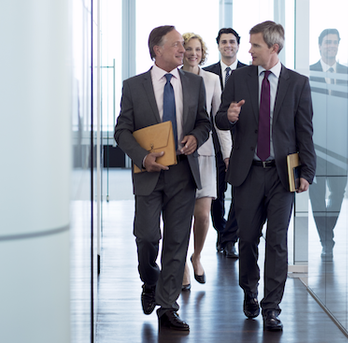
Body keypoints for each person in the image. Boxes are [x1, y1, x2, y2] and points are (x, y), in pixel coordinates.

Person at [214, 20, 315, 331]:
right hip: (247, 173)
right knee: (247, 240)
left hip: (282, 175)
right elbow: (219, 117)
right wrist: (227, 116)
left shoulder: (298, 83)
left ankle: (272, 307)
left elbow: (305, 132)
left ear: (274, 47)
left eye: (255, 45)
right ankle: (250, 291)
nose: (249, 50)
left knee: (277, 242)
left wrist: (307, 171)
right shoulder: (239, 78)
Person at [113, 25, 211, 331]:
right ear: (157, 49)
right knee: (147, 236)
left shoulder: (195, 83)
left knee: (177, 241)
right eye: (177, 45)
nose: (184, 50)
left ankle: (168, 307)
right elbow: (122, 131)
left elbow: (204, 122)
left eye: (183, 45)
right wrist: (143, 157)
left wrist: (196, 136)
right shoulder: (134, 86)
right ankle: (149, 282)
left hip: (183, 172)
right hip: (148, 173)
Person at [179, 32, 232, 290]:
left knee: (202, 215)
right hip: (179, 153)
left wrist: (227, 152)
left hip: (206, 153)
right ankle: (182, 265)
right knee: (178, 215)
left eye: (197, 49)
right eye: (188, 48)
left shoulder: (211, 79)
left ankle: (197, 255)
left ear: (203, 52)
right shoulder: (174, 77)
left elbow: (219, 121)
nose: (193, 53)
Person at [308, 28, 348, 260]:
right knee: (316, 196)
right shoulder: (309, 73)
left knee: (338, 193)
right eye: (327, 42)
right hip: (316, 147)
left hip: (340, 148)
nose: (331, 46)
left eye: (335, 42)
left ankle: (327, 232)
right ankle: (326, 239)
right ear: (320, 46)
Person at [203, 28, 247, 258]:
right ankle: (221, 231)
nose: (228, 45)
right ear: (218, 46)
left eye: (232, 42)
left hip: (241, 143)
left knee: (239, 193)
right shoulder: (206, 73)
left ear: (238, 45)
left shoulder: (249, 73)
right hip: (213, 143)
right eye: (224, 42)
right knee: (216, 194)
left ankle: (230, 238)